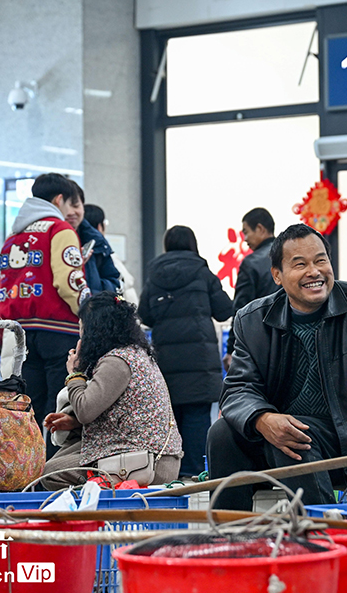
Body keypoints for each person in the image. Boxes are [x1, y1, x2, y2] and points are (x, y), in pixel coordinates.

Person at [207, 223, 347, 511]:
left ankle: (324, 537)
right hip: (281, 439)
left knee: (293, 440)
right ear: (277, 275)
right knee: (222, 433)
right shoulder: (251, 321)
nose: (314, 272)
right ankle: (233, 541)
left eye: (320, 260)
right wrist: (263, 419)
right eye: (300, 264)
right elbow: (237, 389)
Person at [40, 292, 183, 490]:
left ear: (95, 331)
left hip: (146, 463)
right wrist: (73, 423)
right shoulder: (133, 352)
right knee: (62, 455)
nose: (80, 335)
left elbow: (85, 411)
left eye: (82, 328)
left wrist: (75, 373)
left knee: (51, 473)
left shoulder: (116, 362)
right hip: (141, 452)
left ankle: (94, 517)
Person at [0, 173, 90, 449]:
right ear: (59, 199)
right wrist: (87, 312)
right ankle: (52, 474)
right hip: (57, 329)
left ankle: (29, 473)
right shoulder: (59, 229)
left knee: (30, 407)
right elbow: (68, 281)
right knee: (58, 406)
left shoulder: (15, 234)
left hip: (20, 331)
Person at [138, 226, 234, 477]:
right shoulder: (202, 272)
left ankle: (171, 474)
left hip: (166, 360)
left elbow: (145, 315)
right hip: (199, 361)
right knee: (197, 418)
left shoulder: (154, 274)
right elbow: (224, 310)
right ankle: (195, 474)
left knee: (172, 418)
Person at [223, 207, 281, 371]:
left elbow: (241, 309)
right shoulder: (289, 256)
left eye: (246, 232)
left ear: (261, 229)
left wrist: (230, 350)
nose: (246, 239)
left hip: (262, 345)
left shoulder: (251, 263)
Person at [70, 187, 121, 298]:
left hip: (94, 310)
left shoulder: (98, 243)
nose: (71, 212)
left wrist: (98, 295)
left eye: (75, 205)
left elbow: (114, 280)